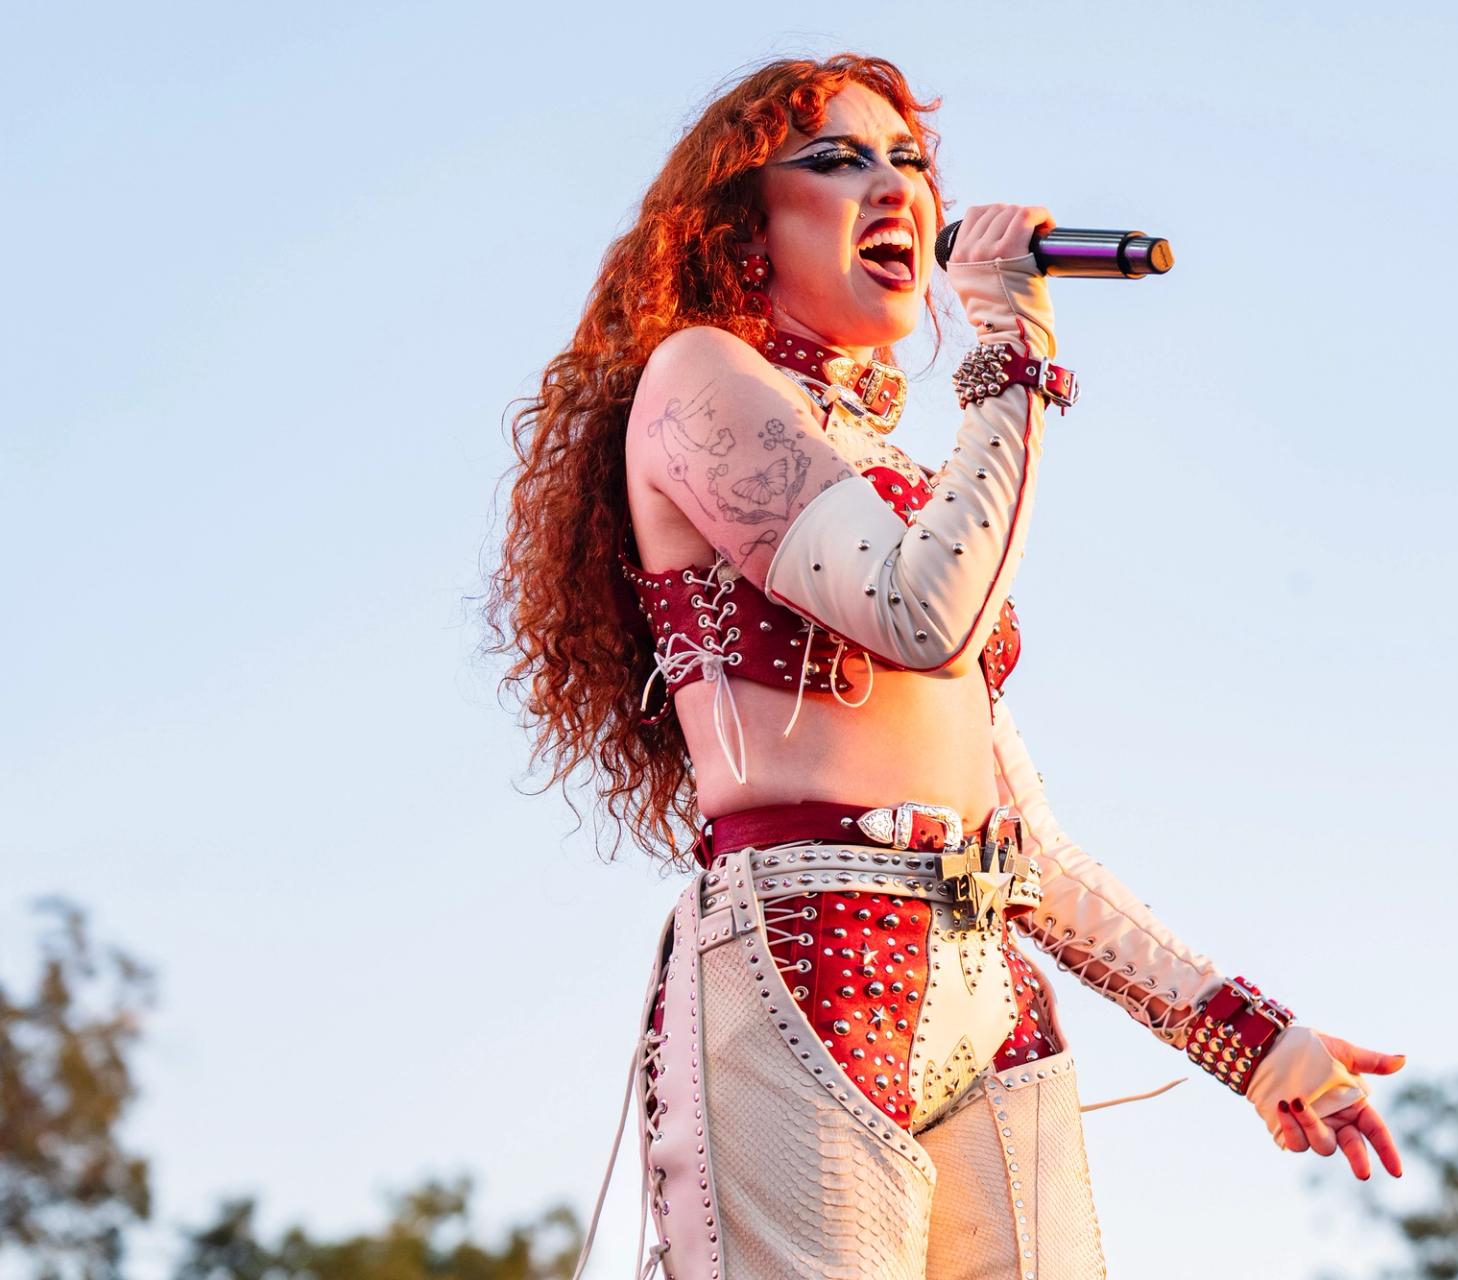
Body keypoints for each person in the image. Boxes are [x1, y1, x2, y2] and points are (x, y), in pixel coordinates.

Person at [487, 52, 1406, 1280]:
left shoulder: (905, 477)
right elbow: (923, 614)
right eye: (839, 158)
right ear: (740, 221)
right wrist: (1013, 336)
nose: (897, 186)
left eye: (911, 160)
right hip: (807, 955)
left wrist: (1258, 1039)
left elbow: (1020, 838)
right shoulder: (699, 380)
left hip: (989, 983)